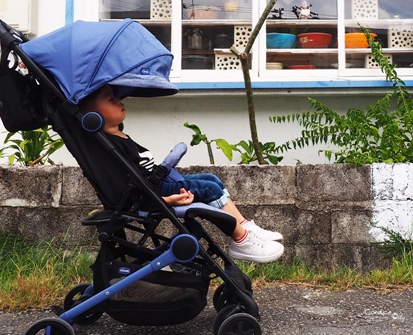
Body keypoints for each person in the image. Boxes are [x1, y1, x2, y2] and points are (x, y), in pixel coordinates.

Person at [81, 84, 284, 263]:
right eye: (111, 99)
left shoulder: (120, 138)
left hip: (157, 183)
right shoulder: (111, 148)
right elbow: (131, 189)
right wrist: (167, 200)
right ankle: (241, 240)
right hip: (154, 191)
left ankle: (244, 225)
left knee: (211, 179)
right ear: (93, 116)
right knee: (209, 188)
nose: (119, 100)